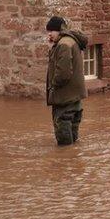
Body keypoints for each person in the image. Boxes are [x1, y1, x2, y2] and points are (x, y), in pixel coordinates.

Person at [45, 16, 88, 146]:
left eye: (51, 31)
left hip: (64, 99)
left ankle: (65, 165)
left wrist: (53, 85)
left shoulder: (63, 44)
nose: (49, 34)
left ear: (59, 30)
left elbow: (63, 73)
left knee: (64, 143)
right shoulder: (70, 41)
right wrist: (52, 46)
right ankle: (73, 162)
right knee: (73, 140)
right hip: (75, 99)